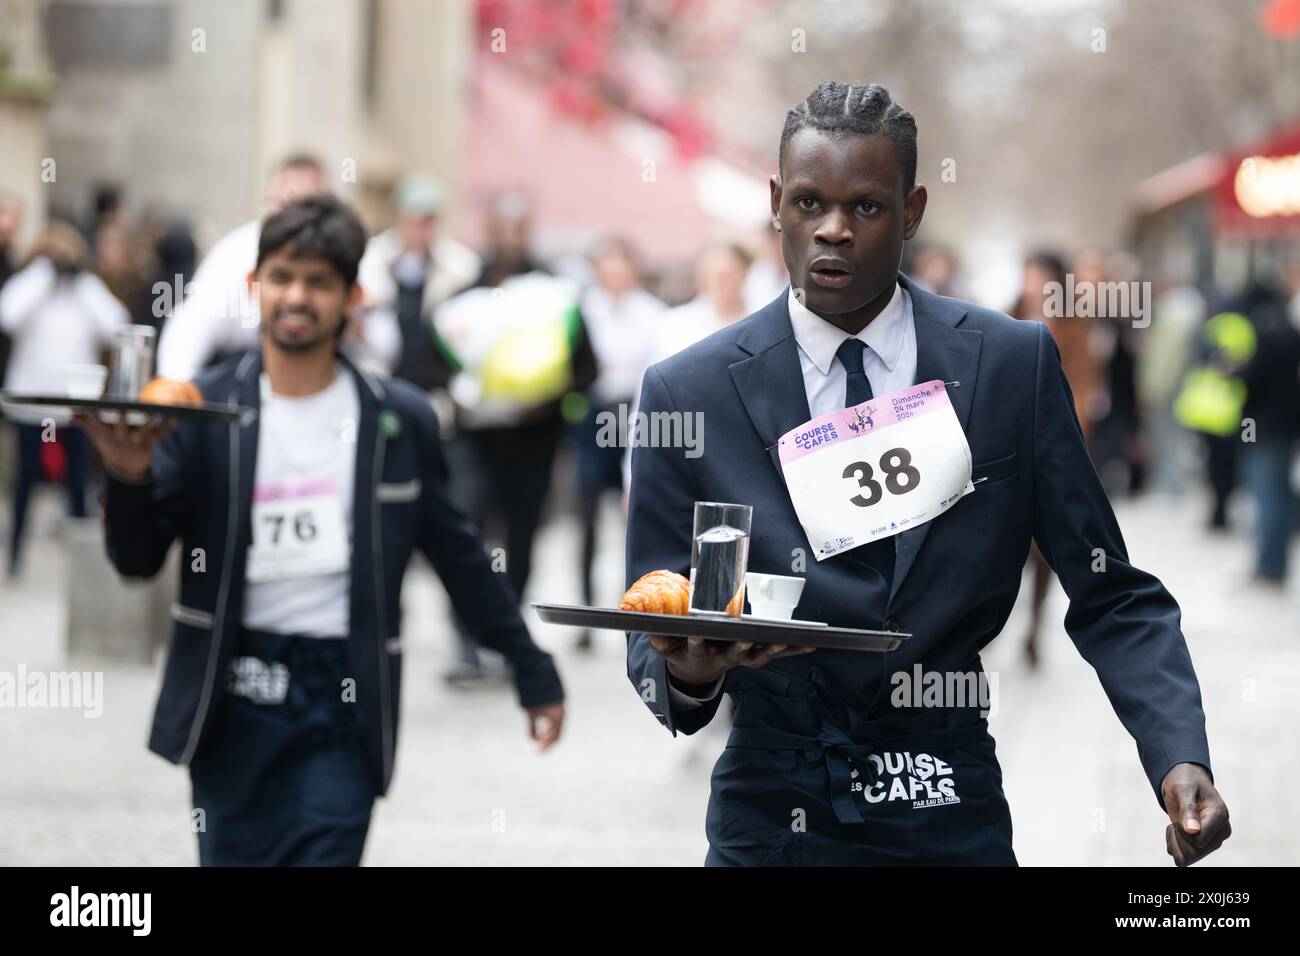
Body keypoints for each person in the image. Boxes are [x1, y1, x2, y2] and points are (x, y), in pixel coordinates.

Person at [624, 81, 1229, 867]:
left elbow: (1111, 590)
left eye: (866, 208)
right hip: (774, 812)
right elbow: (652, 610)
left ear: (911, 212)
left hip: (948, 804)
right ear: (775, 202)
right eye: (808, 203)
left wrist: (1179, 755)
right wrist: (690, 671)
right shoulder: (686, 390)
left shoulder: (1009, 365)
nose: (833, 230)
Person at [78, 195, 565, 866]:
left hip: (342, 692)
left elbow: (455, 552)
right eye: (282, 277)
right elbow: (136, 561)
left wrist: (531, 668)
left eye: (318, 282)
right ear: (255, 287)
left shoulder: (397, 419)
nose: (297, 296)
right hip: (233, 693)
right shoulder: (206, 412)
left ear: (352, 297)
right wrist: (128, 478)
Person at [436, 192, 597, 684]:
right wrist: (454, 395)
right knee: (466, 533)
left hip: (532, 439)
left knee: (522, 537)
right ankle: (465, 643)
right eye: (503, 227)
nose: (512, 237)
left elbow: (585, 367)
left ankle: (506, 638)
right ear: (489, 229)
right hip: (474, 443)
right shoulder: (462, 295)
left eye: (520, 227)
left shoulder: (556, 295)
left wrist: (551, 398)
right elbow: (431, 362)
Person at [1, 221, 128, 577]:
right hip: (31, 401)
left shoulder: (85, 290)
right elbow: (8, 315)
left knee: (77, 483)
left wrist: (82, 282)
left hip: (74, 405)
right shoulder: (31, 284)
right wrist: (45, 275)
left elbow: (117, 324)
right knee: (25, 480)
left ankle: (81, 565)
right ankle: (14, 553)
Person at [155, 154, 327, 379]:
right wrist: (175, 387)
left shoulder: (343, 255)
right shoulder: (235, 253)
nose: (296, 297)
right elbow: (194, 325)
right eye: (279, 278)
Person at [1010, 250, 1102, 668]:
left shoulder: (1074, 329)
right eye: (1028, 275)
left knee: (1044, 550)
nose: (1033, 285)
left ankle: (1033, 625)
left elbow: (1084, 388)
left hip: (1052, 453)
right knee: (997, 545)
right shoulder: (1002, 319)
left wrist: (1069, 443)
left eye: (1040, 277)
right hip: (1006, 449)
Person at [572, 237, 663, 651]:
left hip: (635, 411)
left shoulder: (651, 314)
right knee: (586, 512)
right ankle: (587, 611)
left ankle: (639, 607)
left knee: (633, 511)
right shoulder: (583, 310)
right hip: (592, 412)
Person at [356, 174, 481, 388]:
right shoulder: (371, 260)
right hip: (382, 376)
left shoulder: (459, 266)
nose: (420, 228)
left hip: (434, 381)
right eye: (414, 219)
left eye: (428, 220)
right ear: (398, 218)